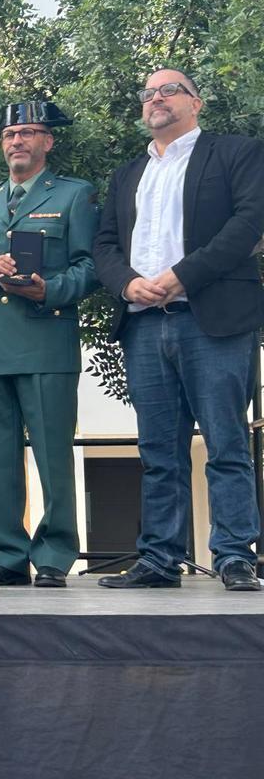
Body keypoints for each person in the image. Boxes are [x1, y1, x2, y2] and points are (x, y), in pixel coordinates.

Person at [93, 69, 264, 592]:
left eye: (169, 90)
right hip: (145, 325)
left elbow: (249, 222)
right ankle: (159, 558)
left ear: (196, 102)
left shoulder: (235, 153)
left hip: (211, 320)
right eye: (147, 93)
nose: (155, 99)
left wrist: (179, 275)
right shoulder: (128, 173)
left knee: (226, 442)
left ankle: (235, 555)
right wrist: (127, 284)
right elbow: (103, 246)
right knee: (158, 452)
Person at [0, 102, 98, 588]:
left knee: (53, 456)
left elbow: (90, 266)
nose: (17, 142)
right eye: (10, 133)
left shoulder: (75, 196)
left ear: (47, 142)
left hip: (46, 340)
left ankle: (53, 556)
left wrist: (49, 290)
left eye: (28, 133)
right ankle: (7, 555)